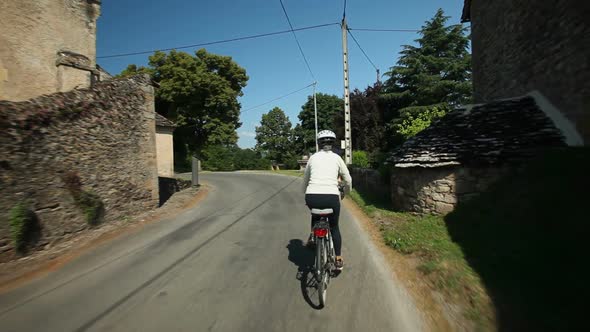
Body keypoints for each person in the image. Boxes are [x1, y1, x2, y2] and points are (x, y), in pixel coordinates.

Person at [302, 130, 352, 271]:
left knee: (315, 215)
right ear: (333, 142)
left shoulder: (312, 158)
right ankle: (338, 258)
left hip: (312, 197)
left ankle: (312, 237)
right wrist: (347, 192)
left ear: (319, 143)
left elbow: (305, 179)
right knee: (334, 226)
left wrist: (304, 193)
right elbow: (347, 179)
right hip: (331, 197)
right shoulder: (337, 158)